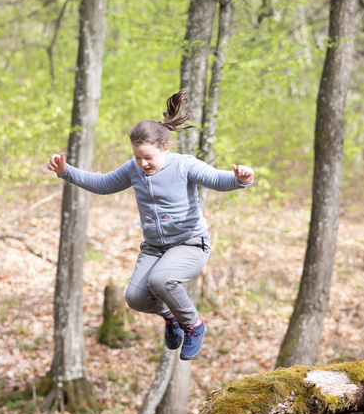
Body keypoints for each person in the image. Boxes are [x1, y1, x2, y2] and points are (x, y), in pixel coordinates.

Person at [47, 89, 254, 360]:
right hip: (155, 248)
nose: (143, 163)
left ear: (164, 148)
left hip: (190, 243)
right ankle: (172, 318)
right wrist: (66, 171)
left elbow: (216, 179)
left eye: (148, 157)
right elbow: (103, 183)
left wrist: (241, 178)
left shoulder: (184, 165)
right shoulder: (134, 169)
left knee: (161, 279)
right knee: (136, 298)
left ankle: (194, 325)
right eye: (138, 157)